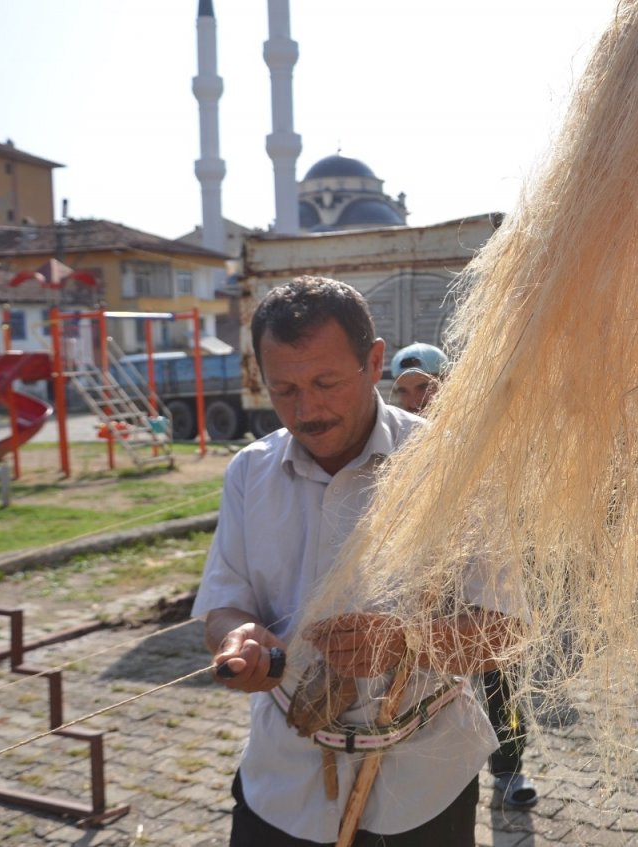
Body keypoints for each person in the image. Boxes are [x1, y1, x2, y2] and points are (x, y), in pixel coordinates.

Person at [193, 277, 521, 846]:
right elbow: (224, 605)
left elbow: (506, 632)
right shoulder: (249, 472)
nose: (307, 409)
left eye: (326, 382)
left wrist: (406, 643)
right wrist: (237, 640)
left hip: (421, 790)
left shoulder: (450, 467)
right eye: (284, 389)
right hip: (282, 786)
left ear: (374, 363)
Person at [388, 342, 539, 812]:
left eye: (426, 388)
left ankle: (511, 768)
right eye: (405, 391)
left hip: (482, 570)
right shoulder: (395, 442)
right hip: (424, 580)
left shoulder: (480, 432)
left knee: (499, 673)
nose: (417, 400)